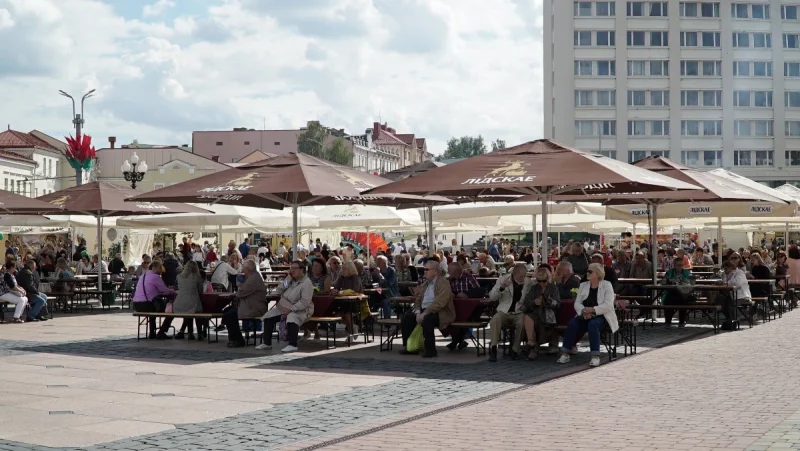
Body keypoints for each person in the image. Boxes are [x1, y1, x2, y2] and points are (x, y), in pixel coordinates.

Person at [557, 263, 619, 367]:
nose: (587, 273)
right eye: (587, 271)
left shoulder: (607, 285)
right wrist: (584, 312)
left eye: (590, 271)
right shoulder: (583, 285)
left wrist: (593, 310)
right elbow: (577, 303)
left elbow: (608, 305)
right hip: (584, 314)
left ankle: (595, 356)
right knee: (572, 324)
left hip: (602, 315)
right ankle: (565, 353)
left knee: (593, 324)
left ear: (598, 274)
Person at [399, 260, 456, 358]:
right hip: (424, 310)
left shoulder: (443, 283)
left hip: (441, 312)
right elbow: (418, 300)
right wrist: (417, 313)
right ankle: (410, 347)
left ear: (435, 271)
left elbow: (440, 303)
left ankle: (430, 350)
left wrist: (424, 313)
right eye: (424, 269)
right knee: (407, 318)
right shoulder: (426, 284)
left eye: (427, 269)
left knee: (428, 319)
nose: (424, 272)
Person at [259, 260, 314, 352]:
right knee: (269, 316)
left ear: (302, 270)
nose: (292, 270)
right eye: (291, 268)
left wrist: (291, 309)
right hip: (284, 307)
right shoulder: (290, 280)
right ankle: (266, 343)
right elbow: (279, 290)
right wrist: (287, 279)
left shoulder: (306, 283)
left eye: (295, 268)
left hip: (301, 310)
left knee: (292, 317)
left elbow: (304, 302)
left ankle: (293, 344)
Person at [487, 263, 531, 362]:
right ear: (514, 274)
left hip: (519, 311)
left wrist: (526, 306)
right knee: (495, 320)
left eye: (524, 276)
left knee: (522, 322)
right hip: (504, 310)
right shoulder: (503, 279)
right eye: (520, 276)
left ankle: (515, 349)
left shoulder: (528, 282)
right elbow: (492, 297)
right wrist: (502, 288)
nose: (522, 278)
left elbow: (531, 297)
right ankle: (493, 348)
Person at [222, 260, 267, 348]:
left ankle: (238, 340)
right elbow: (244, 290)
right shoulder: (253, 277)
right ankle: (233, 338)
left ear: (248, 269)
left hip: (254, 308)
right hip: (250, 306)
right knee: (227, 311)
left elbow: (240, 293)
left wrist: (240, 286)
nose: (242, 270)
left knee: (230, 315)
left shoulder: (253, 279)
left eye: (244, 268)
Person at [521, 264, 561, 359]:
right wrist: (534, 302)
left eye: (544, 281)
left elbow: (557, 304)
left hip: (548, 314)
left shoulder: (553, 288)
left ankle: (533, 348)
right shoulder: (534, 288)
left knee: (538, 323)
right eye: (539, 281)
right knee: (528, 317)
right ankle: (531, 342)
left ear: (548, 278)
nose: (541, 283)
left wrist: (548, 301)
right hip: (536, 312)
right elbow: (527, 301)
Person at [132, 261, 177, 339]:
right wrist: (174, 292)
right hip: (147, 305)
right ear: (154, 267)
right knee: (170, 312)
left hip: (136, 305)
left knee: (154, 309)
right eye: (159, 268)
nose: (161, 270)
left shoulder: (143, 275)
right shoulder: (155, 277)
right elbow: (164, 291)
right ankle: (162, 331)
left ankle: (152, 333)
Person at [173, 261, 205, 340]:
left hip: (179, 302)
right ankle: (200, 333)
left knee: (189, 312)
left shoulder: (179, 276)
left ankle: (190, 333)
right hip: (193, 301)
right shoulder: (197, 276)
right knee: (196, 311)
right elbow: (201, 290)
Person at [662, 257, 693, 328]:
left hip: (682, 293)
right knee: (668, 300)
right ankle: (668, 321)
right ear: (674, 265)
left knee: (683, 300)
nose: (680, 267)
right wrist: (669, 281)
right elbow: (664, 282)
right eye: (678, 265)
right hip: (671, 292)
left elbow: (690, 282)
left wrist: (683, 282)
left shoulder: (686, 272)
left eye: (681, 265)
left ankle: (682, 321)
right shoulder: (669, 272)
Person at [720, 259, 752, 329]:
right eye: (724, 269)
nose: (725, 271)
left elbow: (738, 283)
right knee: (721, 301)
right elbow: (724, 283)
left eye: (726, 269)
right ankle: (730, 319)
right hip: (731, 296)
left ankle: (732, 321)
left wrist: (727, 283)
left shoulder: (740, 273)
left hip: (742, 296)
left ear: (731, 267)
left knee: (728, 303)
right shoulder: (726, 275)